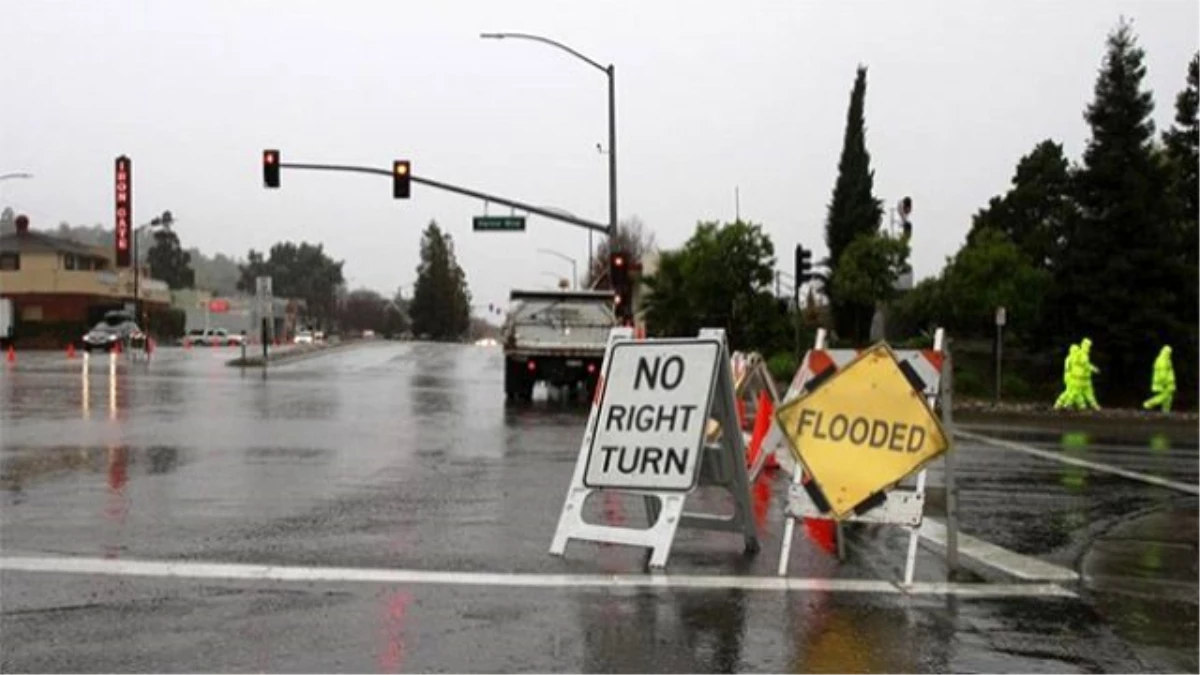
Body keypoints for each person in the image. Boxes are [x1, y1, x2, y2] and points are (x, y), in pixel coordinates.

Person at [1142, 345, 1175, 413]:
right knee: (1164, 396)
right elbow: (1163, 373)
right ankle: (1148, 404)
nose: (1170, 353)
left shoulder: (1165, 359)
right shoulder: (1163, 360)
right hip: (1165, 383)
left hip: (1167, 383)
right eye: (1169, 352)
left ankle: (1166, 412)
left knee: (1168, 398)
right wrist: (1165, 382)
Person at [1053, 344, 1080, 409]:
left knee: (1070, 391)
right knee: (1072, 391)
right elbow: (1069, 368)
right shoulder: (1071, 358)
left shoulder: (1070, 358)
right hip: (1070, 376)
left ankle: (1061, 404)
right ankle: (1065, 404)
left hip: (1068, 376)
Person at [1078, 337, 1101, 410]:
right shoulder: (1082, 354)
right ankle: (1082, 406)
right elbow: (1085, 365)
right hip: (1081, 378)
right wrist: (1094, 369)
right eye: (1089, 346)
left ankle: (1093, 406)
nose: (1089, 348)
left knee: (1089, 392)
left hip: (1085, 378)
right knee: (1078, 392)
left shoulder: (1084, 354)